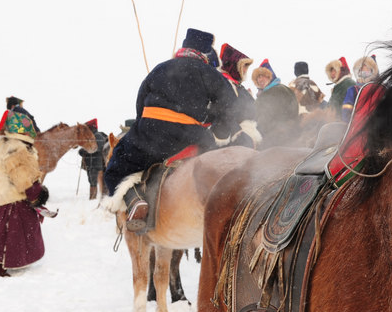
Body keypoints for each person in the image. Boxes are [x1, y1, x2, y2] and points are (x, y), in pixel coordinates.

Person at [103, 28, 239, 229]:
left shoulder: (159, 68)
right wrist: (220, 132)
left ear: (184, 47)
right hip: (191, 136)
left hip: (150, 134)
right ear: (205, 52)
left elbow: (140, 105)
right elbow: (230, 105)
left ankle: (134, 200)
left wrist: (143, 128)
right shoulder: (209, 73)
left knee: (116, 164)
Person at [0, 111, 49, 277]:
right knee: (12, 235)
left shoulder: (0, 146)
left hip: (2, 198)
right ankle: (2, 267)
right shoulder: (17, 149)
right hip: (15, 201)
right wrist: (37, 196)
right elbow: (23, 178)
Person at [218, 42, 260, 148]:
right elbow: (224, 113)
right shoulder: (224, 83)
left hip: (247, 134)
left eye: (247, 67)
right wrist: (241, 136)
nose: (245, 70)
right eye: (244, 66)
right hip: (232, 137)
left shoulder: (237, 85)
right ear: (233, 65)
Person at [252, 59, 300, 146]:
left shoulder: (271, 92)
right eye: (258, 77)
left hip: (274, 139)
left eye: (262, 76)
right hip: (290, 136)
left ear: (269, 76)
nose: (260, 80)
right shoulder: (284, 88)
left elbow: (264, 118)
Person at [78, 119, 109, 199]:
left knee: (94, 182)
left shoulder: (98, 136)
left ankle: (94, 198)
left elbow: (96, 149)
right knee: (91, 181)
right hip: (91, 164)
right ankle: (92, 197)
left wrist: (84, 151)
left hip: (96, 164)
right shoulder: (91, 136)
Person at [325, 57, 358, 121]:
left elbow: (338, 105)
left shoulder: (348, 83)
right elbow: (331, 105)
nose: (332, 73)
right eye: (331, 71)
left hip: (344, 120)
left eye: (335, 70)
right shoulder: (339, 85)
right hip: (335, 119)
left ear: (342, 71)